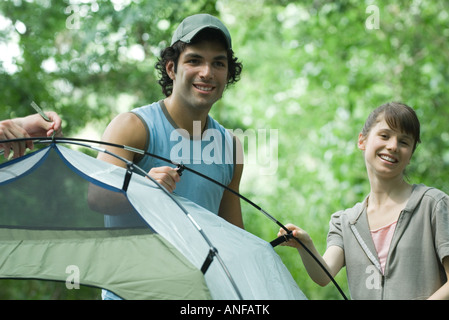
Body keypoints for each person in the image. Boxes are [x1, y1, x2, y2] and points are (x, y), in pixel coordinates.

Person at [278, 102, 449, 300]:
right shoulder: (345, 222)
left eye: (404, 142)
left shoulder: (434, 205)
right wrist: (304, 243)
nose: (393, 146)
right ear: (362, 141)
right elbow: (324, 275)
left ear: (410, 155)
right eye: (384, 136)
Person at [95, 14, 245, 229]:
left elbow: (234, 234)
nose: (207, 72)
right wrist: (143, 189)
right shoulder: (132, 127)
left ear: (228, 73)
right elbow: (97, 197)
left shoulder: (230, 148)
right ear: (171, 69)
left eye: (218, 63)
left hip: (196, 265)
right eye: (194, 60)